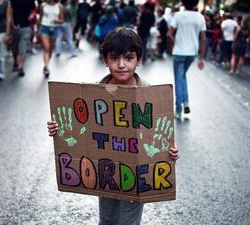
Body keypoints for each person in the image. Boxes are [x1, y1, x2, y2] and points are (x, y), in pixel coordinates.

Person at [47, 27, 179, 225]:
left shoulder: (149, 96)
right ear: (105, 60)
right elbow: (78, 130)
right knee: (107, 220)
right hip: (105, 171)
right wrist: (58, 130)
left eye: (128, 58)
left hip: (137, 173)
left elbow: (160, 134)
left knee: (128, 222)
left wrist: (170, 152)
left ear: (139, 60)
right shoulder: (93, 95)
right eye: (114, 58)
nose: (121, 64)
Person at [167, 0, 206, 119]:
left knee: (179, 79)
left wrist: (175, 44)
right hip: (192, 53)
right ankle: (186, 102)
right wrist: (201, 58)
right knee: (183, 76)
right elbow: (203, 39)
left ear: (183, 3)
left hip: (179, 52)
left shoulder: (178, 16)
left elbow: (169, 34)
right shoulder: (200, 17)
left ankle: (179, 110)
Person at [6, 0, 37, 77]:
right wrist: (12, 25)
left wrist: (32, 15)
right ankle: (15, 62)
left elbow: (34, 9)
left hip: (26, 26)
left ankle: (21, 66)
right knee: (14, 47)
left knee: (23, 46)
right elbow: (10, 12)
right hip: (15, 26)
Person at [39, 0, 63, 77]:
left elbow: (62, 20)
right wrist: (37, 31)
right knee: (47, 47)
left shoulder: (59, 6)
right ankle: (47, 67)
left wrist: (57, 21)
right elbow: (40, 18)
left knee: (51, 49)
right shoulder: (43, 5)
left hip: (54, 28)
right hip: (44, 27)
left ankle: (46, 65)